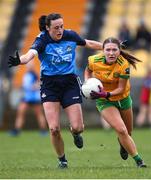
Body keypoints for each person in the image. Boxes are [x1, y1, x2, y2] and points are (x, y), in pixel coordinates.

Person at [8, 13, 103, 168]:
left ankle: (75, 133)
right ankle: (62, 160)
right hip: (50, 85)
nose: (60, 30)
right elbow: (30, 54)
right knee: (54, 129)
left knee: (78, 127)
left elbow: (89, 43)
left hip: (69, 83)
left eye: (61, 26)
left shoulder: (70, 35)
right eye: (56, 27)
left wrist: (108, 47)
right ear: (47, 28)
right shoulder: (42, 39)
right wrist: (20, 60)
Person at [84, 37, 147, 168]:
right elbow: (88, 70)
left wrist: (107, 93)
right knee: (122, 130)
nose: (111, 53)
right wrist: (87, 82)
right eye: (108, 50)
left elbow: (121, 89)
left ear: (119, 51)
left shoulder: (124, 64)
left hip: (122, 98)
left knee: (128, 133)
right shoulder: (93, 60)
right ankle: (139, 161)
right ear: (103, 50)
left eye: (114, 50)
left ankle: (122, 145)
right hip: (104, 101)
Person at [9, 61, 47, 136]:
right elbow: (25, 85)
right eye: (28, 66)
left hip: (34, 97)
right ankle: (17, 130)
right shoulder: (27, 74)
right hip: (27, 97)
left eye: (29, 66)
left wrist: (34, 86)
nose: (28, 67)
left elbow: (40, 83)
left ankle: (43, 130)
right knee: (20, 112)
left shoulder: (34, 74)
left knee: (39, 114)